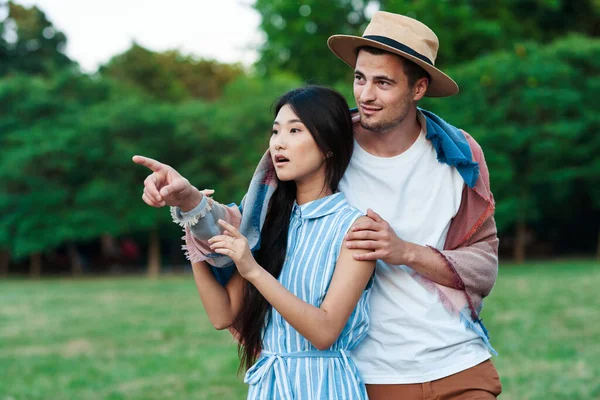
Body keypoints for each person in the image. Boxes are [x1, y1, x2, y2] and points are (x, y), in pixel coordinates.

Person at [139, 11, 502, 399]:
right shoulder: (321, 143)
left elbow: (483, 263)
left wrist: (404, 251)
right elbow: (248, 226)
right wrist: (189, 200)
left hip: (458, 361)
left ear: (418, 88)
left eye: (383, 82)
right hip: (370, 374)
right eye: (360, 78)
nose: (364, 94)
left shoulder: (459, 155)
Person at [134, 86, 376, 399]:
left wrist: (252, 270)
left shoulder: (355, 230)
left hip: (324, 385)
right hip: (269, 387)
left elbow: (325, 332)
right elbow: (223, 315)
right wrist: (189, 219)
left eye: (294, 130)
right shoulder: (266, 221)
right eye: (275, 131)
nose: (279, 143)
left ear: (328, 145)